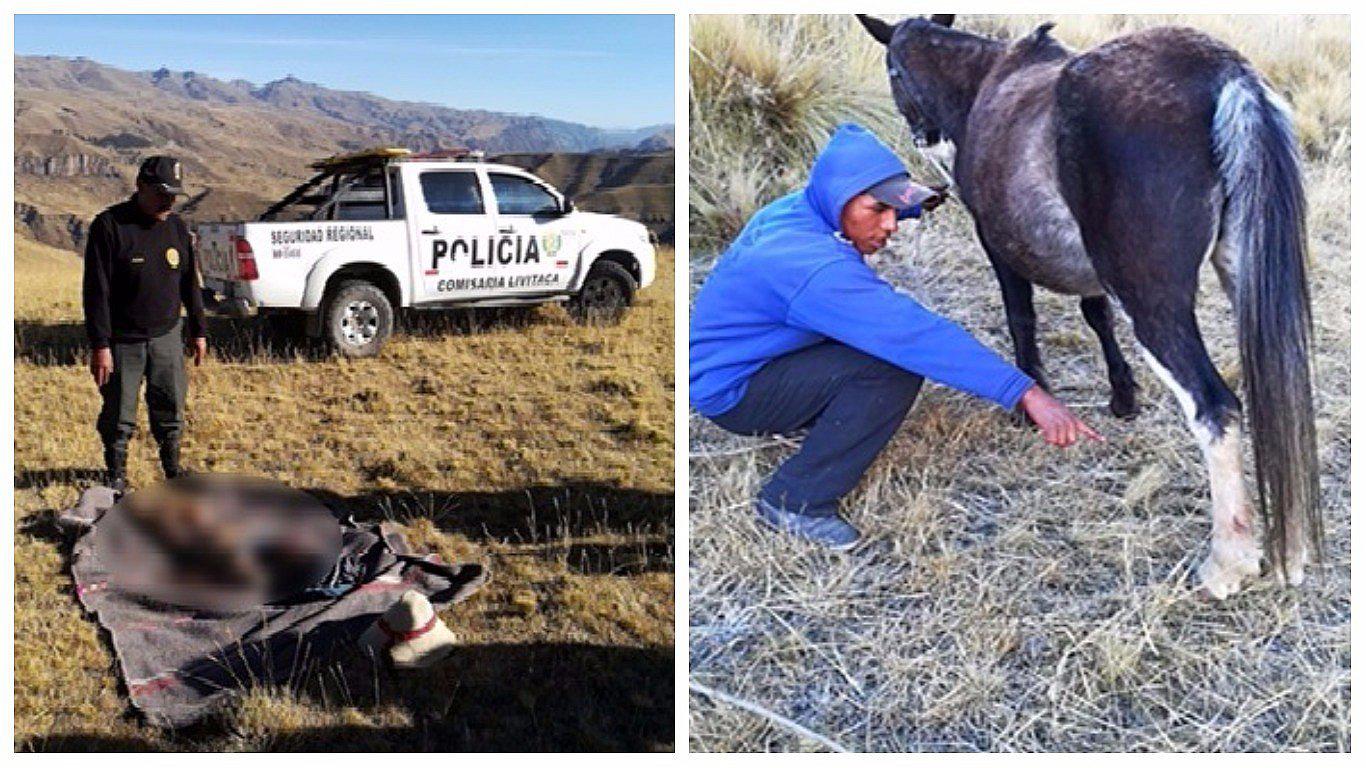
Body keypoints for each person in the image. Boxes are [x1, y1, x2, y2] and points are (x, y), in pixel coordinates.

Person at [689, 123, 1100, 550]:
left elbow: (870, 203)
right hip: (734, 392)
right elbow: (916, 335)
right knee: (890, 369)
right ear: (840, 199)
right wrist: (1027, 393)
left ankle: (816, 415)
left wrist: (915, 201)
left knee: (872, 346)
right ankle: (796, 500)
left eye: (895, 210)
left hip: (742, 360)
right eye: (878, 211)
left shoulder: (798, 211)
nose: (891, 226)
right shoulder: (813, 269)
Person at [83, 155, 208, 490]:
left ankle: (172, 468)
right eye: (162, 193)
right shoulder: (109, 226)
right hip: (123, 340)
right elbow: (96, 291)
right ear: (140, 186)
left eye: (174, 195)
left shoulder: (177, 227)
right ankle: (117, 473)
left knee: (170, 405)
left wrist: (198, 331)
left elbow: (189, 283)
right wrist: (100, 346)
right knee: (119, 414)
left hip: (167, 334)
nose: (168, 201)